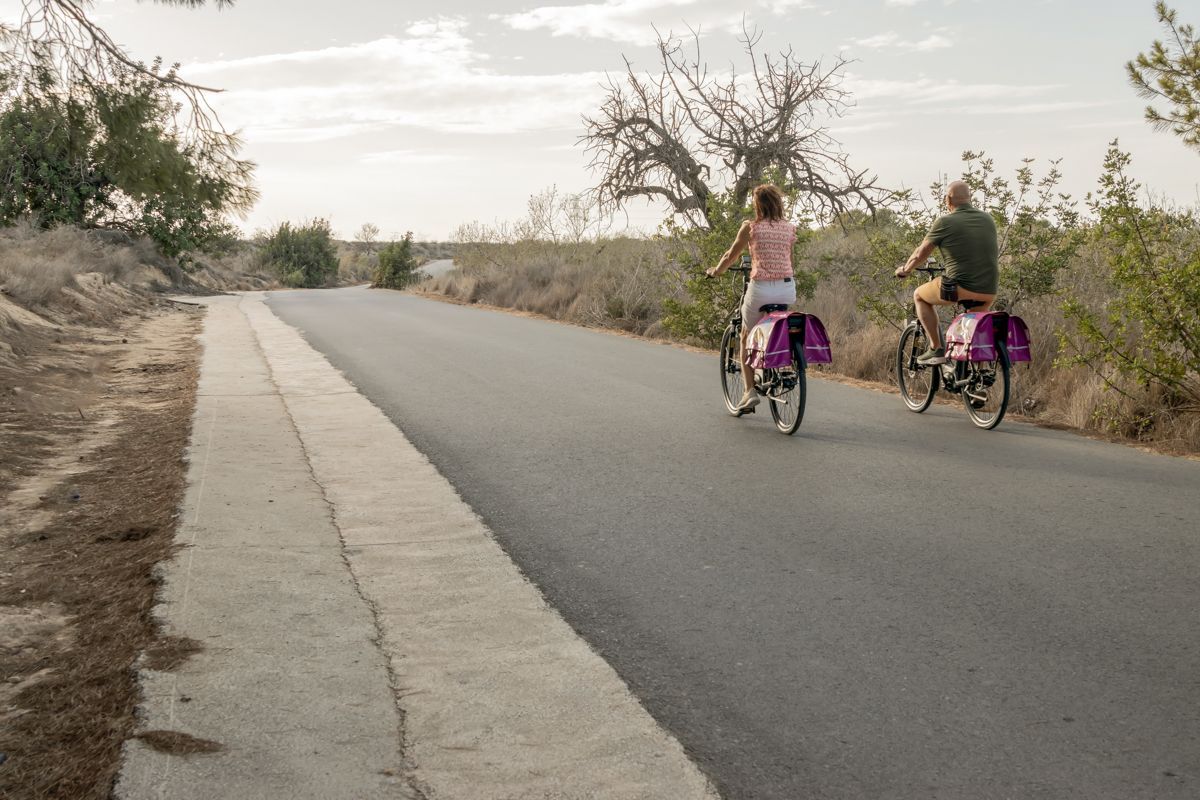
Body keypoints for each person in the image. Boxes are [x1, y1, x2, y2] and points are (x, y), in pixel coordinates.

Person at [705, 184, 797, 411]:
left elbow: (731, 255)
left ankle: (749, 392)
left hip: (761, 288)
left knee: (746, 334)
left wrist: (716, 271)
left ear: (757, 205)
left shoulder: (750, 227)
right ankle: (781, 365)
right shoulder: (789, 228)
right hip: (787, 287)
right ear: (778, 203)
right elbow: (788, 258)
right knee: (776, 327)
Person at [894, 180, 999, 364]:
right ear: (970, 198)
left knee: (919, 295)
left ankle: (936, 349)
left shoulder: (945, 221)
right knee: (969, 332)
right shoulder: (987, 219)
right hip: (989, 291)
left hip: (960, 288)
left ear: (948, 200)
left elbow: (921, 252)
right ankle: (973, 376)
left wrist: (906, 269)